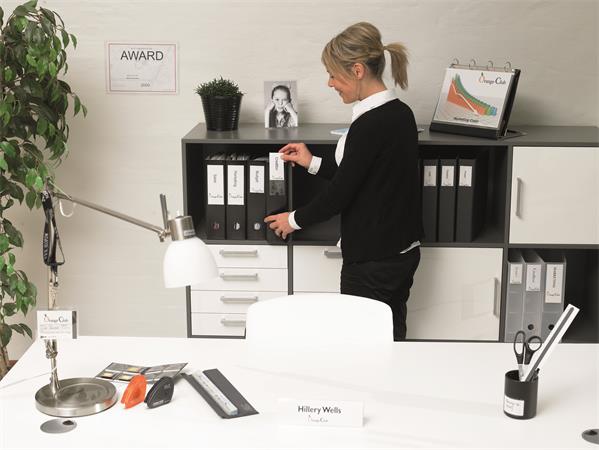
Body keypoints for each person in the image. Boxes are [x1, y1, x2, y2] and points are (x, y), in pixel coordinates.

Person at [264, 22, 424, 341]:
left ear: (358, 70)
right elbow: (363, 175)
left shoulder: (370, 124)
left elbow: (340, 195)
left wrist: (292, 220)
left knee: (364, 343)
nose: (330, 83)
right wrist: (312, 162)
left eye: (333, 75)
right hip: (400, 251)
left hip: (373, 261)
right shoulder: (400, 113)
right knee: (391, 336)